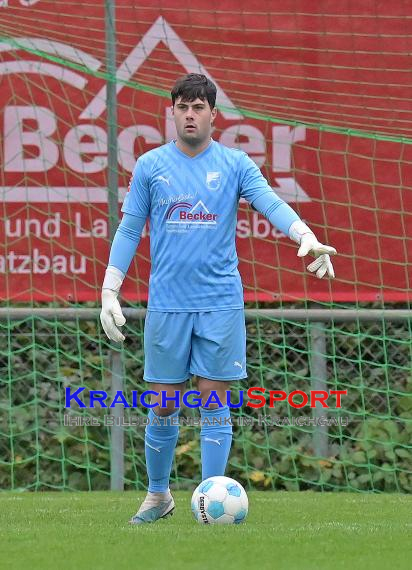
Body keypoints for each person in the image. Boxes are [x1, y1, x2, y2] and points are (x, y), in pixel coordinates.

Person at [100, 73, 336, 524]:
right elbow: (129, 229)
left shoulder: (235, 163)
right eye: (182, 107)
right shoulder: (151, 166)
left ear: (213, 114)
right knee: (163, 403)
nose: (190, 115)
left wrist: (305, 235)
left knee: (213, 399)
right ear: (172, 112)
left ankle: (209, 502)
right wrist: (110, 288)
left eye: (198, 108)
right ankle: (157, 496)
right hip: (167, 303)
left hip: (220, 302)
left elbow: (270, 202)